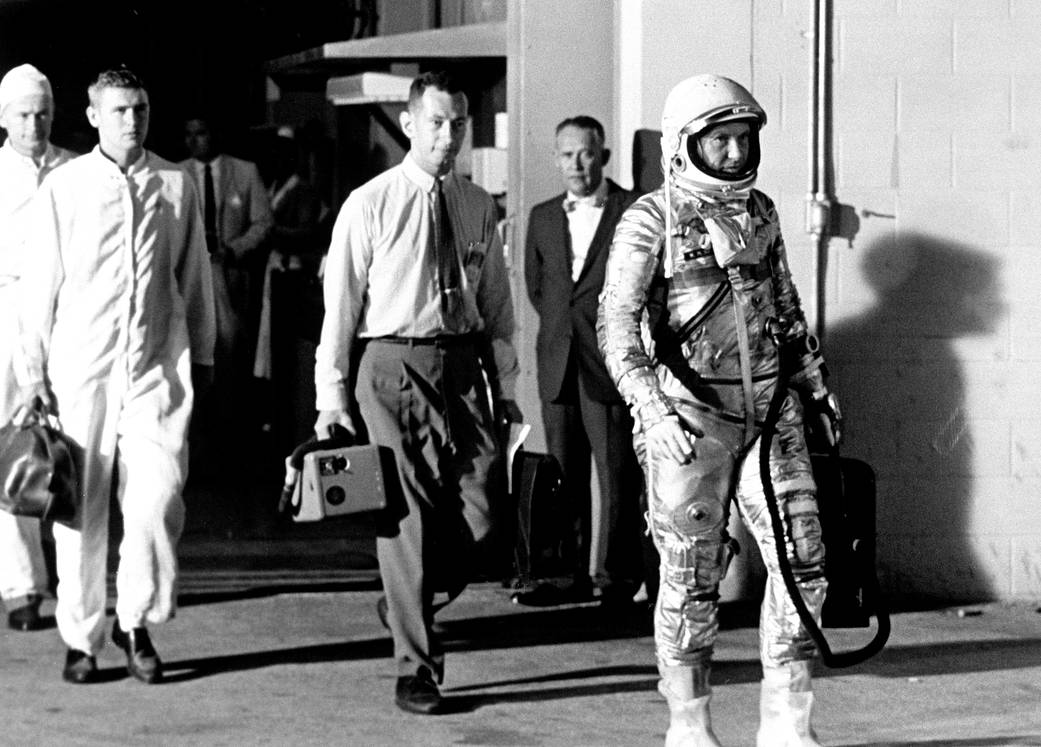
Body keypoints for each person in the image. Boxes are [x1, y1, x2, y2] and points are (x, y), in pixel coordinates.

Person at [597, 74, 842, 746]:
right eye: (720, 139)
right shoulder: (649, 219)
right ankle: (688, 723)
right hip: (689, 417)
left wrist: (814, 382)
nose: (735, 152)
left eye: (743, 137)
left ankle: (787, 721)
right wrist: (650, 409)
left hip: (768, 409)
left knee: (803, 561)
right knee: (688, 577)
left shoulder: (758, 211)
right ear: (685, 145)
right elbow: (616, 325)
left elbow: (785, 304)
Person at [314, 70, 521, 715]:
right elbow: (340, 309)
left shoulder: (477, 203)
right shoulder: (370, 202)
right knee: (405, 520)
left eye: (458, 122)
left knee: (482, 506)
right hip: (390, 366)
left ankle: (413, 596)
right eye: (435, 121)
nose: (448, 134)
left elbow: (498, 305)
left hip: (462, 368)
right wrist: (333, 397)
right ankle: (416, 669)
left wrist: (507, 387)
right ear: (409, 123)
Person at [16, 67, 215, 684]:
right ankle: (82, 639)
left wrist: (202, 356)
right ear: (95, 115)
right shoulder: (66, 188)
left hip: (156, 369)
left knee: (156, 499)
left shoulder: (175, 184)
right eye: (121, 109)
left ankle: (137, 621)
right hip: (80, 372)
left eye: (142, 108)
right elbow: (37, 288)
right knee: (82, 512)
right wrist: (32, 373)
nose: (133, 120)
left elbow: (194, 278)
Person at [519, 115, 644, 606]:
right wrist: (563, 330)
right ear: (556, 159)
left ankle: (617, 579)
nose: (576, 163)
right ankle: (567, 575)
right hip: (557, 361)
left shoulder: (630, 209)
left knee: (616, 477)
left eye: (586, 153)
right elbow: (539, 288)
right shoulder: (543, 216)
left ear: (604, 156)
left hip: (608, 364)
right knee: (563, 476)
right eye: (566, 154)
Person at [0, 63, 76, 633]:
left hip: (66, 318)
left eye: (43, 112)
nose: (35, 123)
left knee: (69, 446)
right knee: (12, 446)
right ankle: (23, 586)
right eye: (24, 114)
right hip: (4, 316)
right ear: (4, 118)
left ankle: (76, 584)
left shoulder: (75, 170)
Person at [180, 115, 272, 533]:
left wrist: (235, 251)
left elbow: (263, 222)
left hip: (229, 276)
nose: (198, 139)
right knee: (193, 368)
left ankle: (231, 460)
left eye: (204, 131)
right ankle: (195, 458)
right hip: (186, 280)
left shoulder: (244, 171)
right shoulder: (175, 175)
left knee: (230, 363)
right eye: (191, 133)